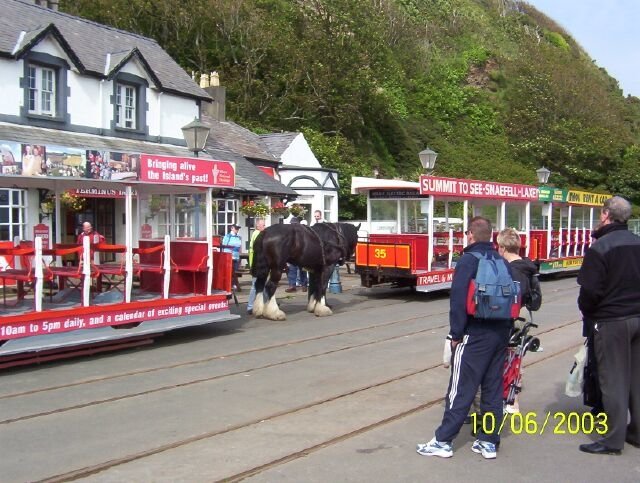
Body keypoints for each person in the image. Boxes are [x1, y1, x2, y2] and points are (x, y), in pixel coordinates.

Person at [417, 216, 513, 460]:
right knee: (492, 389)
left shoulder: (468, 260)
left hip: (474, 333)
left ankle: (443, 440)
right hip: (500, 333)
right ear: (491, 236)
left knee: (460, 388)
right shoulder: (500, 260)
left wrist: (455, 334)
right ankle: (488, 441)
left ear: (470, 234)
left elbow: (458, 300)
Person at [577, 196, 640, 455]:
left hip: (611, 319)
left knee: (613, 378)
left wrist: (591, 314)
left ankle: (612, 439)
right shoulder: (638, 243)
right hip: (638, 316)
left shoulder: (600, 247)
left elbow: (589, 291)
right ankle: (636, 432)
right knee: (637, 378)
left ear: (605, 215)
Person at [496, 227, 540, 413]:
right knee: (517, 355)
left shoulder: (508, 270)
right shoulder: (529, 268)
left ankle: (510, 399)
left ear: (503, 248)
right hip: (524, 315)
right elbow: (536, 300)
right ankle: (514, 397)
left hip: (509, 316)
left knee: (505, 358)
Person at [247, 219, 266, 315]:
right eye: (263, 225)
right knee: (255, 286)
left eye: (264, 225)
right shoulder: (257, 234)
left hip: (255, 263)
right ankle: (250, 306)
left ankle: (266, 302)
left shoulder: (255, 233)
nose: (264, 227)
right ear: (258, 226)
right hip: (256, 264)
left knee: (263, 284)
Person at [285, 217, 307, 292]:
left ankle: (304, 285)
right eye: (292, 224)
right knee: (292, 270)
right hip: (292, 255)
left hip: (301, 254)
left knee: (303, 270)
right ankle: (292, 285)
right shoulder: (289, 233)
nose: (293, 225)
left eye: (294, 224)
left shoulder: (302, 232)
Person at [223, 224, 243, 291]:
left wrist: (240, 255)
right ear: (232, 228)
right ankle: (229, 285)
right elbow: (224, 246)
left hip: (236, 257)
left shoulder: (239, 237)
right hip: (229, 256)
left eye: (238, 228)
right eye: (236, 228)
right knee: (230, 272)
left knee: (236, 271)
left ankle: (234, 284)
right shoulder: (227, 236)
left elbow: (240, 247)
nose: (237, 230)